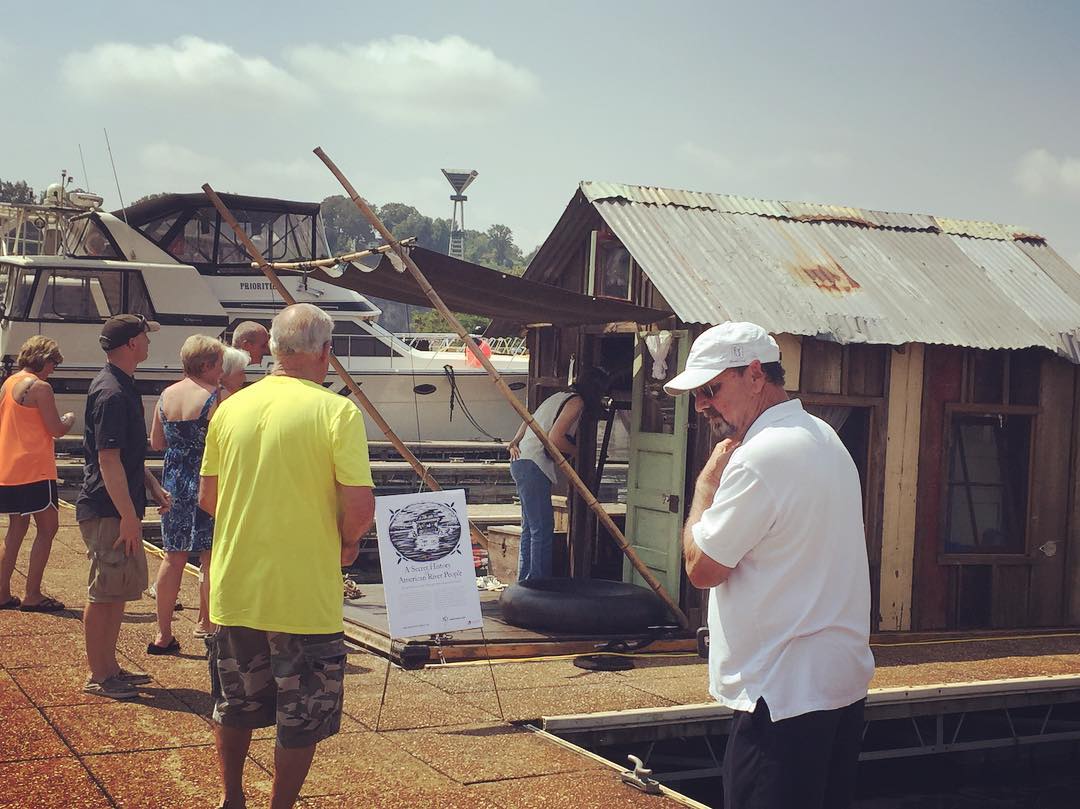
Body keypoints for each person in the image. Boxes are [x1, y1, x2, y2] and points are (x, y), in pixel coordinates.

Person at [666, 322, 874, 809]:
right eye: (698, 394)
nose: (702, 405)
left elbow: (702, 567)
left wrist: (705, 485)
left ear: (756, 374)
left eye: (711, 389)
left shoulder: (758, 457)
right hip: (837, 685)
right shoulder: (823, 437)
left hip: (779, 696)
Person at [200, 303, 374, 809]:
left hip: (236, 585)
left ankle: (232, 797)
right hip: (303, 593)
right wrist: (346, 542)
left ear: (273, 349)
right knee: (302, 715)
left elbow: (208, 499)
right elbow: (359, 505)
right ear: (325, 353)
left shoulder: (229, 407)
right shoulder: (337, 412)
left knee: (234, 703)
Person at [77, 314, 172, 700]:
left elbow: (127, 457)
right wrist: (129, 517)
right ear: (131, 344)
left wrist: (151, 486)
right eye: (144, 337)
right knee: (103, 591)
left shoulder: (121, 386)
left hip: (118, 505)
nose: (149, 343)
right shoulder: (112, 393)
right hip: (107, 508)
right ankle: (99, 676)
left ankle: (110, 667)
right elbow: (108, 459)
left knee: (116, 592)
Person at [148, 335, 225, 653]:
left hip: (174, 483)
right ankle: (206, 625)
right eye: (219, 364)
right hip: (207, 481)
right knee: (210, 559)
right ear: (206, 365)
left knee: (173, 557)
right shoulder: (214, 397)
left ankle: (162, 634)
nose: (221, 371)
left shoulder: (166, 395)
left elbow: (156, 442)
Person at [506, 368, 610, 581]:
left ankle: (525, 582)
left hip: (521, 461)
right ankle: (538, 582)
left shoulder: (557, 397)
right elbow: (555, 439)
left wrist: (515, 441)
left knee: (530, 528)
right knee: (542, 529)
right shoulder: (577, 402)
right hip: (534, 464)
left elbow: (529, 419)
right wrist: (577, 451)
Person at [0, 337, 75, 612]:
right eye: (53, 362)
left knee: (15, 530)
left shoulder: (8, 383)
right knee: (48, 528)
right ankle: (32, 594)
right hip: (35, 469)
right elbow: (56, 428)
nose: (54, 369)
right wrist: (69, 418)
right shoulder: (40, 388)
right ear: (43, 359)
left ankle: (2, 591)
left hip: (9, 468)